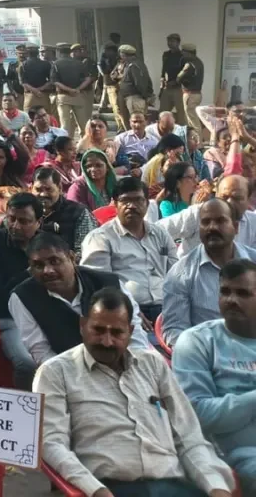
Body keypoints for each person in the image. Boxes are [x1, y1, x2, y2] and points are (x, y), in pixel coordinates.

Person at [34, 287, 234, 497]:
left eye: (117, 332)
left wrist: (215, 486)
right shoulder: (56, 372)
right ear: (83, 326)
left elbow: (188, 436)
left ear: (130, 332)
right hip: (111, 488)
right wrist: (95, 490)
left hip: (174, 486)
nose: (107, 341)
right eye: (99, 330)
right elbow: (51, 442)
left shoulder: (153, 364)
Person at [173, 259, 256, 492]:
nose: (231, 300)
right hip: (239, 455)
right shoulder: (197, 342)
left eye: (243, 293)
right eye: (225, 292)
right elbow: (196, 415)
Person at [9, 233, 148, 369]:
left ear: (72, 258)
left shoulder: (109, 282)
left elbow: (134, 333)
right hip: (69, 372)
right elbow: (41, 351)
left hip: (120, 363)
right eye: (38, 265)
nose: (48, 271)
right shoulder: (22, 298)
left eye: (54, 261)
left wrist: (134, 367)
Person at [161, 199, 256, 347]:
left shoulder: (253, 261)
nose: (212, 227)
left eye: (220, 221)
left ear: (236, 227)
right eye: (205, 222)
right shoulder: (181, 273)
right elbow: (175, 330)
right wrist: (200, 356)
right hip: (209, 358)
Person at [81, 177, 176, 322]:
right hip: (124, 313)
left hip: (166, 309)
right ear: (115, 204)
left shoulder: (160, 234)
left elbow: (176, 275)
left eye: (138, 200)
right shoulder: (100, 238)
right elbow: (99, 286)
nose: (132, 206)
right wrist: (129, 311)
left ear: (146, 203)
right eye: (125, 201)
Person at [0, 193, 46, 388]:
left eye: (24, 221)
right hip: (11, 319)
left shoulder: (48, 246)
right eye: (11, 219)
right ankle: (23, 414)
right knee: (27, 363)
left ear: (38, 222)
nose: (15, 226)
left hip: (49, 315)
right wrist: (30, 273)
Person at [31, 167, 99, 254]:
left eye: (48, 189)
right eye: (38, 190)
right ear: (31, 188)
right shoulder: (25, 212)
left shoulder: (78, 212)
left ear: (59, 188)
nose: (43, 194)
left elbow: (85, 251)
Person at [115, 45, 154, 134]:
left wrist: (145, 96)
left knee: (137, 121)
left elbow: (140, 83)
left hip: (134, 98)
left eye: (121, 54)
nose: (121, 56)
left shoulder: (135, 65)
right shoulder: (128, 65)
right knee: (129, 123)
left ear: (124, 54)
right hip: (127, 97)